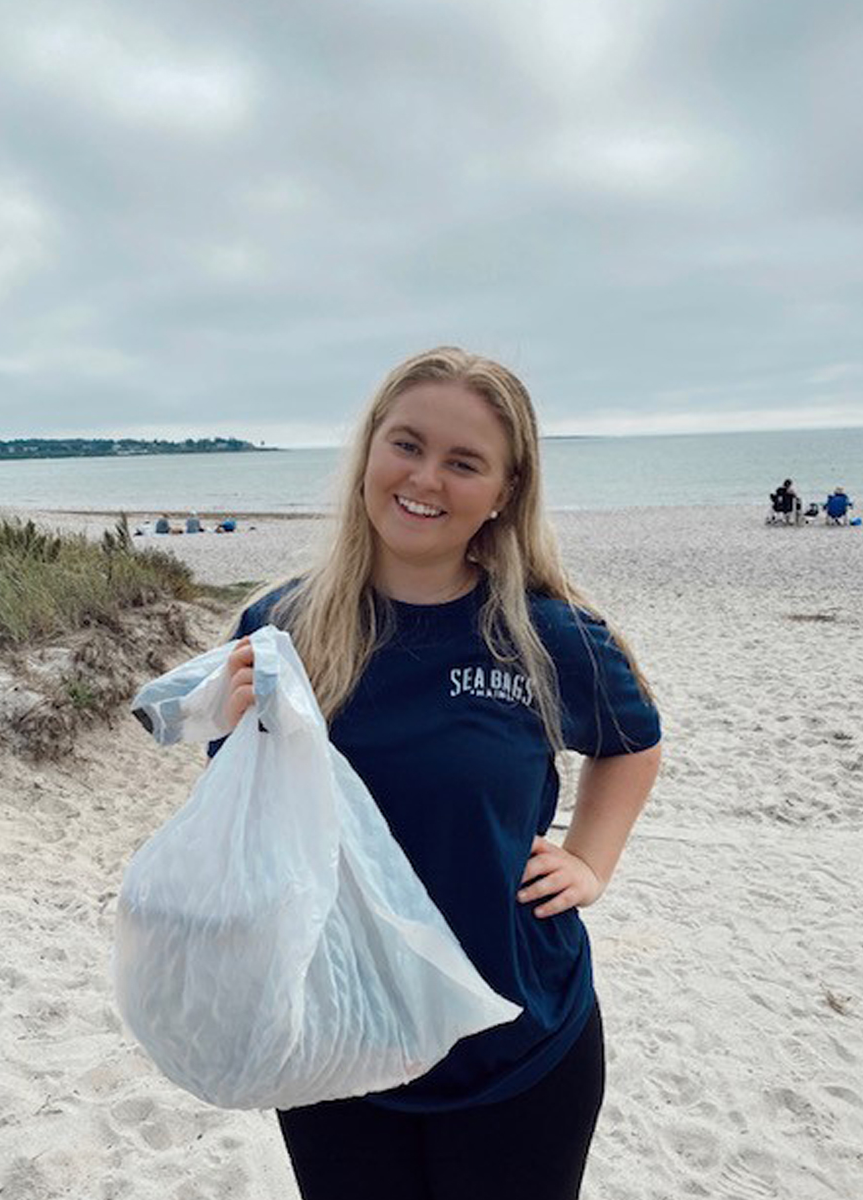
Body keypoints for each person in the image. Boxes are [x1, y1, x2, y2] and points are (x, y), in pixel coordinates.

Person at [209, 347, 662, 1200]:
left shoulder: (543, 633)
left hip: (519, 1041)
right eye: (407, 444)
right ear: (369, 450)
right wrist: (236, 734)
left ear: (505, 491)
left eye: (465, 462)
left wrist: (591, 860)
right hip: (336, 1041)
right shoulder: (283, 624)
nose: (426, 478)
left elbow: (632, 742)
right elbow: (248, 817)